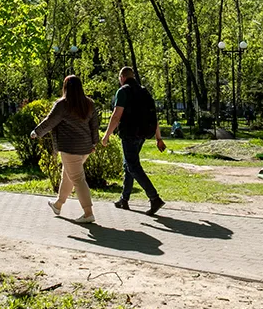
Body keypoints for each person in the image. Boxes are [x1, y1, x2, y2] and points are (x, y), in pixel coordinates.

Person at [30, 75, 99, 223]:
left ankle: (88, 213)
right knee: (67, 175)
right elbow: (94, 125)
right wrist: (94, 143)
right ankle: (58, 205)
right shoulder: (89, 104)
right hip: (85, 147)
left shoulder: (63, 104)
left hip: (69, 148)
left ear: (65, 87)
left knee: (78, 179)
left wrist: (37, 132)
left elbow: (50, 121)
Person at [102, 66, 166, 215]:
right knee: (129, 165)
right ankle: (124, 199)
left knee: (133, 166)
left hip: (129, 134)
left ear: (122, 77)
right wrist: (158, 138)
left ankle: (154, 198)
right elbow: (153, 116)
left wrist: (106, 136)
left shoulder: (123, 91)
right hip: (142, 134)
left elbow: (116, 116)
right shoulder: (144, 92)